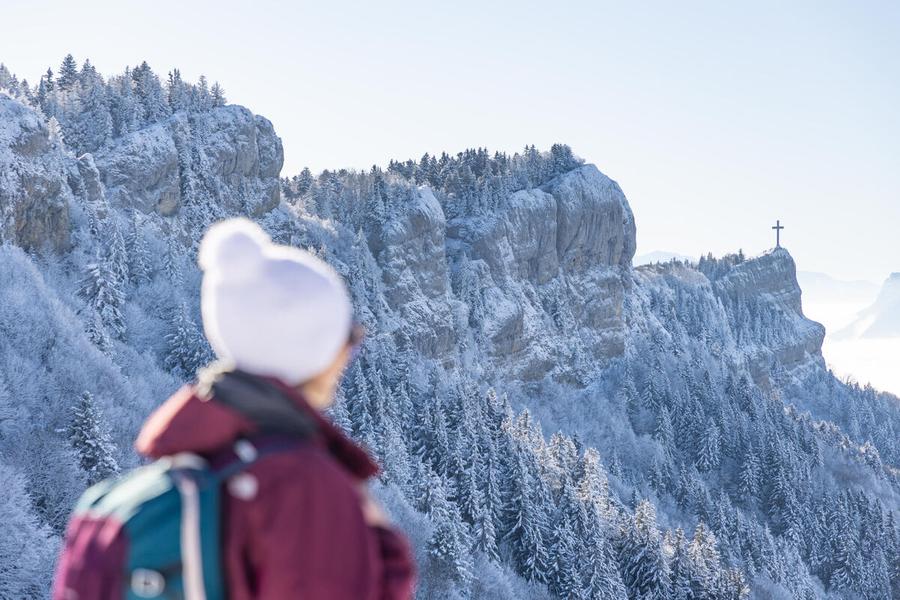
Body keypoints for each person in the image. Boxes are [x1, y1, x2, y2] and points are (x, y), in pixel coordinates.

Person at [130, 218, 415, 599]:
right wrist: (382, 542)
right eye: (348, 339)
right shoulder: (304, 488)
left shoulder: (157, 483)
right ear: (321, 352)